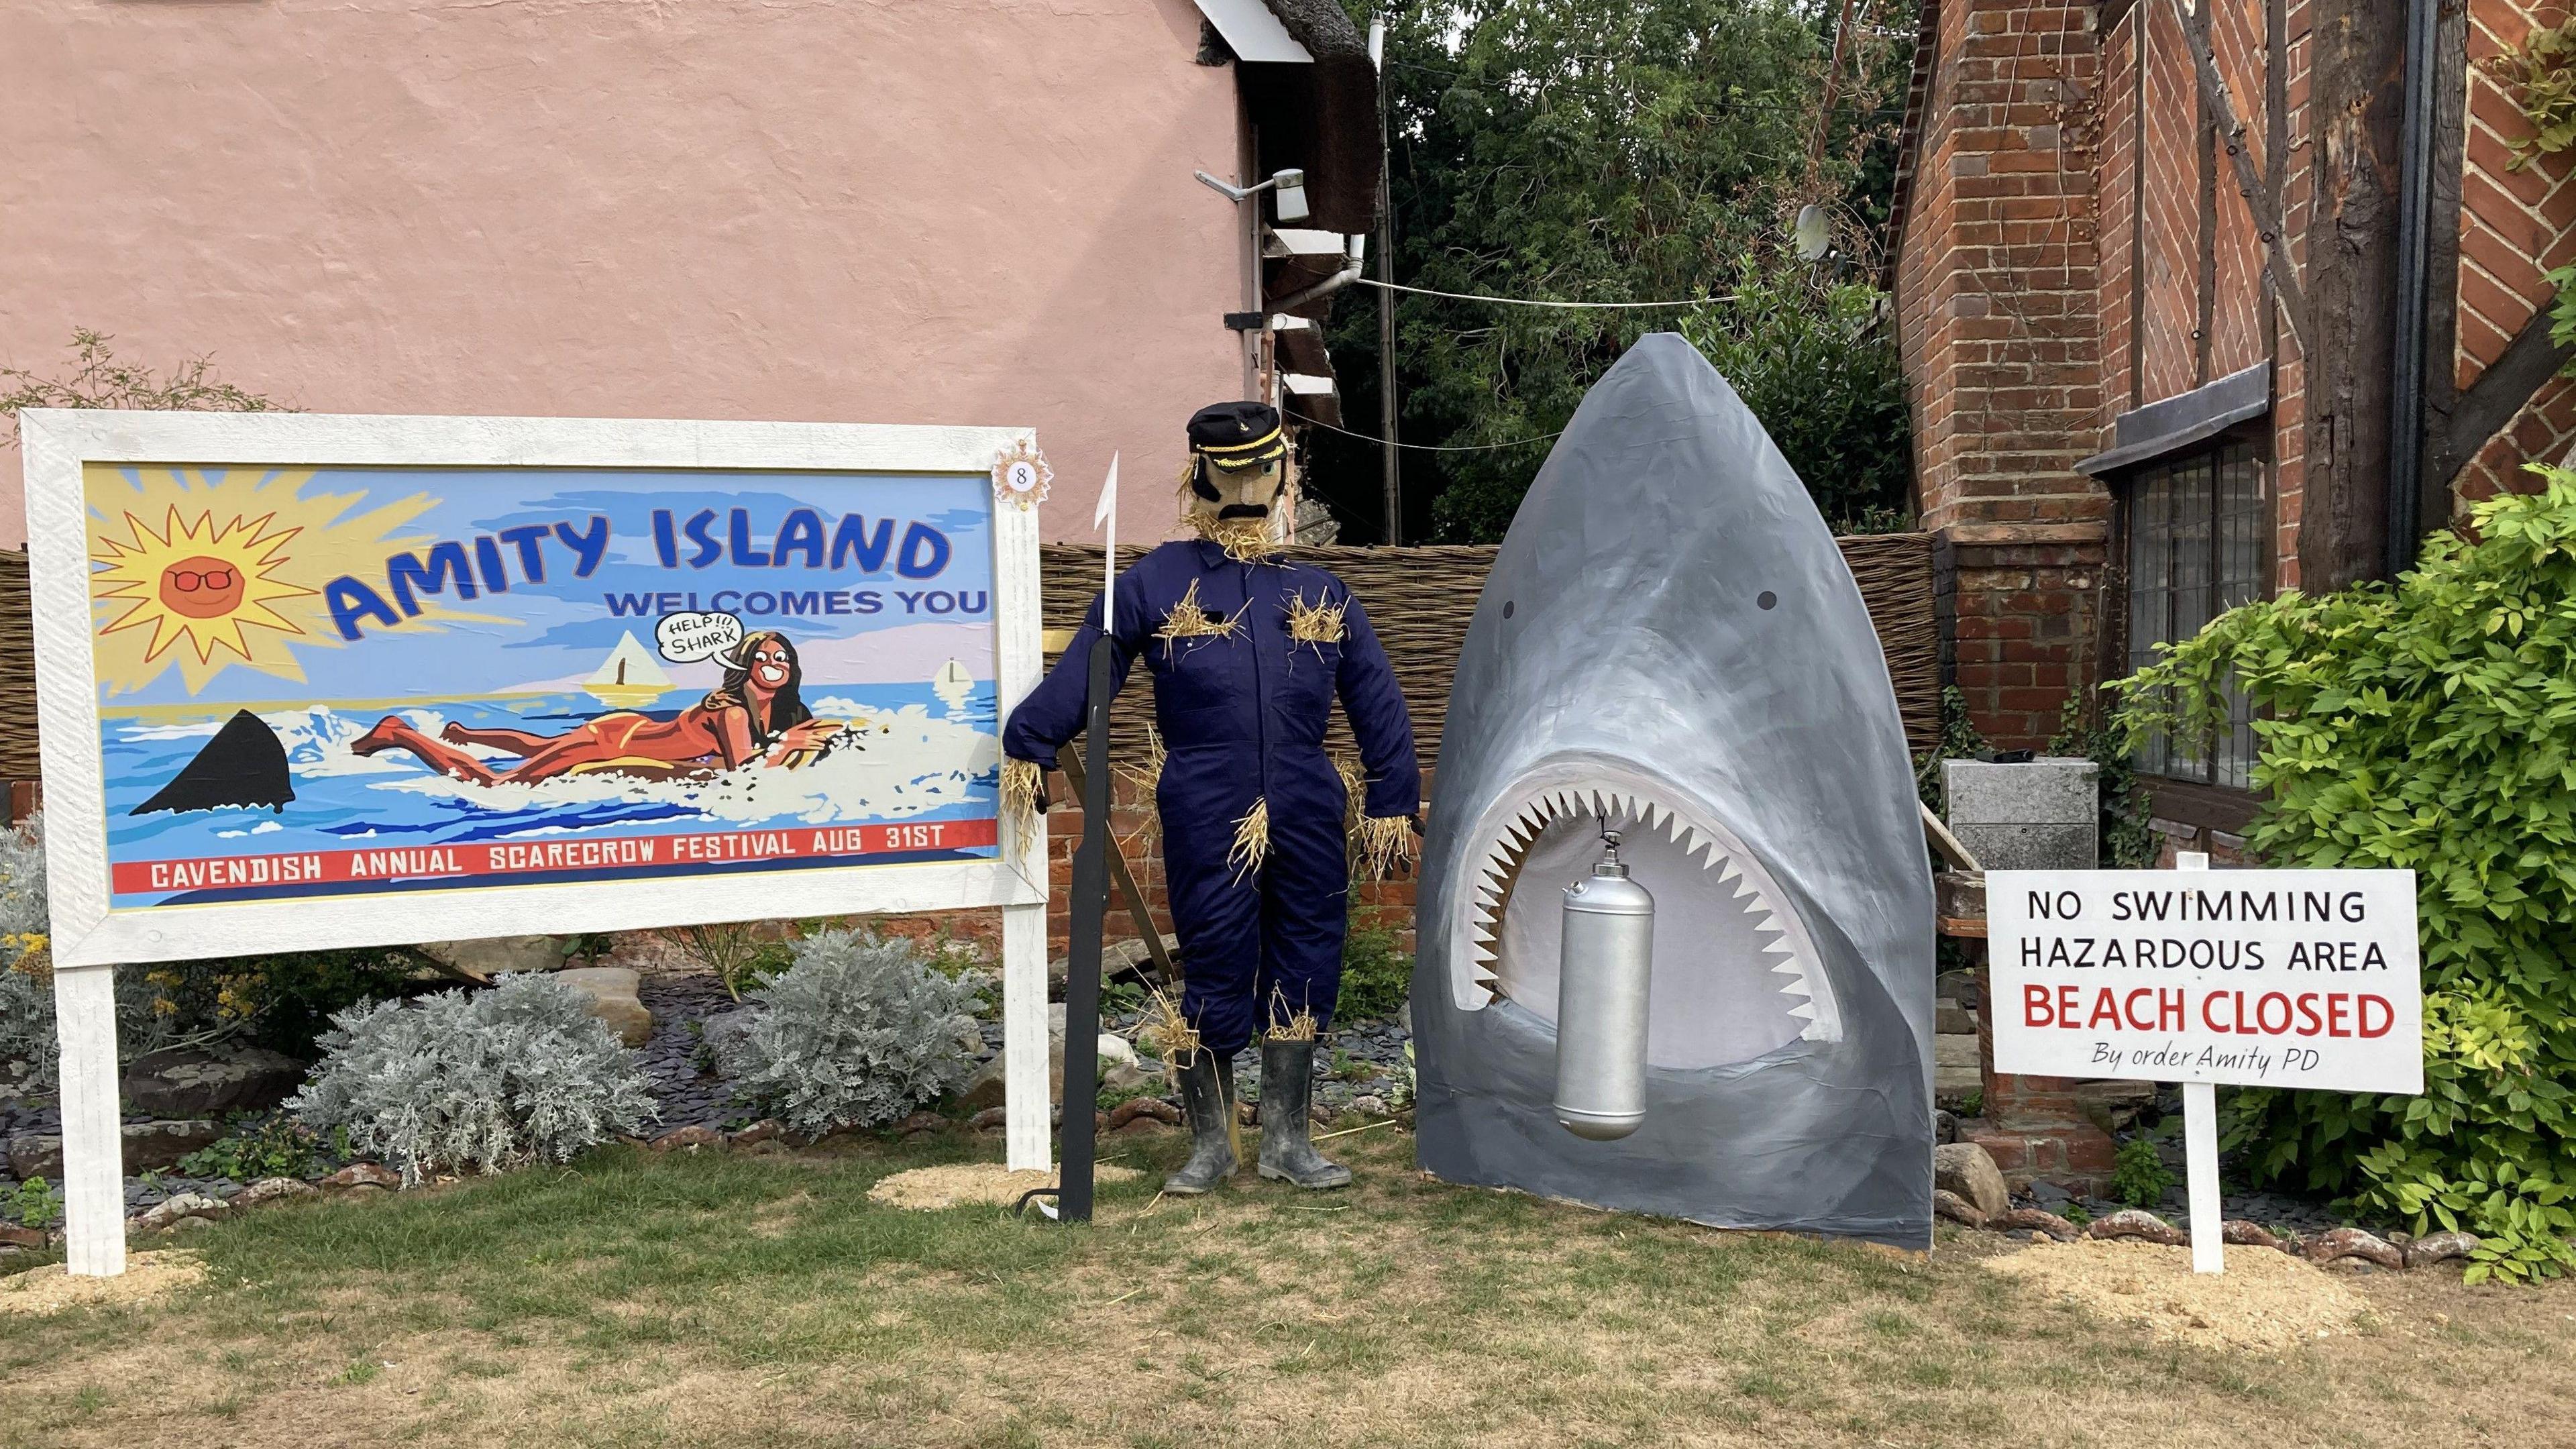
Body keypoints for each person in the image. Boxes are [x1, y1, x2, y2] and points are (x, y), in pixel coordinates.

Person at [1002, 401, 1419, 1193]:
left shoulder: (1320, 591)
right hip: (1205, 799)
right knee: (1216, 954)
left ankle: (1289, 1143)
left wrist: (1391, 796)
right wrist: (1030, 740)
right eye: (1230, 471)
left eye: (1261, 469)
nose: (1247, 486)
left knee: (1308, 953)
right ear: (1196, 476)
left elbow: (1377, 699)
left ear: (1282, 475)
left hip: (1304, 796)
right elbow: (1090, 666)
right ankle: (1211, 1146)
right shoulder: (1156, 582)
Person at [352, 629, 839, 785]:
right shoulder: (734, 710)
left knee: (540, 743)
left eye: (782, 658)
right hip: (608, 742)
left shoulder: (785, 710)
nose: (773, 664)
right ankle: (401, 733)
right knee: (499, 784)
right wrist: (791, 746)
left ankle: (469, 735)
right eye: (763, 657)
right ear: (746, 665)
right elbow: (744, 772)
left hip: (630, 728)